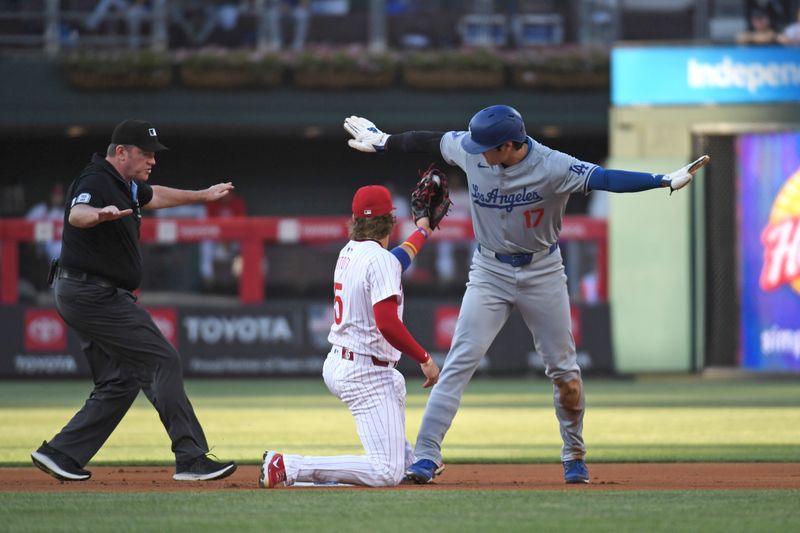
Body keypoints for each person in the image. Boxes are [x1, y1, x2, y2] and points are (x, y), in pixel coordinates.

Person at [343, 106, 708, 484]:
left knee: (565, 374)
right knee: (458, 363)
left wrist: (662, 179)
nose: (475, 151)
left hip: (542, 272)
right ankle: (427, 454)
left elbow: (605, 178)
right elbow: (429, 141)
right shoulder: (472, 150)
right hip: (489, 270)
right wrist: (384, 141)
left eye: (486, 146)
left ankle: (574, 451)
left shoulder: (553, 166)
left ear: (508, 145)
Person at [30, 119, 237, 482]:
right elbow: (78, 213)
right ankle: (191, 457)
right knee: (164, 360)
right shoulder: (97, 180)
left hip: (81, 292)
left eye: (154, 154)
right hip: (95, 294)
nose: (152, 160)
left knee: (120, 380)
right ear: (121, 152)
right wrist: (96, 215)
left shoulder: (124, 184)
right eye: (145, 153)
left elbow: (155, 195)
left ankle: (61, 453)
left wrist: (202, 195)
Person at [259, 184, 441, 488]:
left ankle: (408, 460)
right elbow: (387, 323)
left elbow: (397, 260)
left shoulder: (350, 251)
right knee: (385, 473)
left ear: (355, 219)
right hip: (363, 371)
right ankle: (289, 466)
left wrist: (423, 230)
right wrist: (424, 358)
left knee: (394, 383)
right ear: (389, 221)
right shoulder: (379, 259)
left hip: (341, 361)